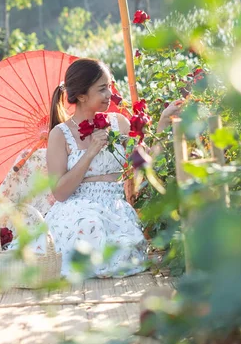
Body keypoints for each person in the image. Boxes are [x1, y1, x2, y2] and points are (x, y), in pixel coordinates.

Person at [39, 57, 184, 278]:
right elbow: (59, 192)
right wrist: (90, 152)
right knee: (90, 225)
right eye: (102, 89)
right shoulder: (60, 134)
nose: (110, 94)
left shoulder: (118, 123)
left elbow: (145, 165)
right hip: (77, 210)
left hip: (115, 209)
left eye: (110, 86)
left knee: (120, 248)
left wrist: (163, 122)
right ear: (81, 95)